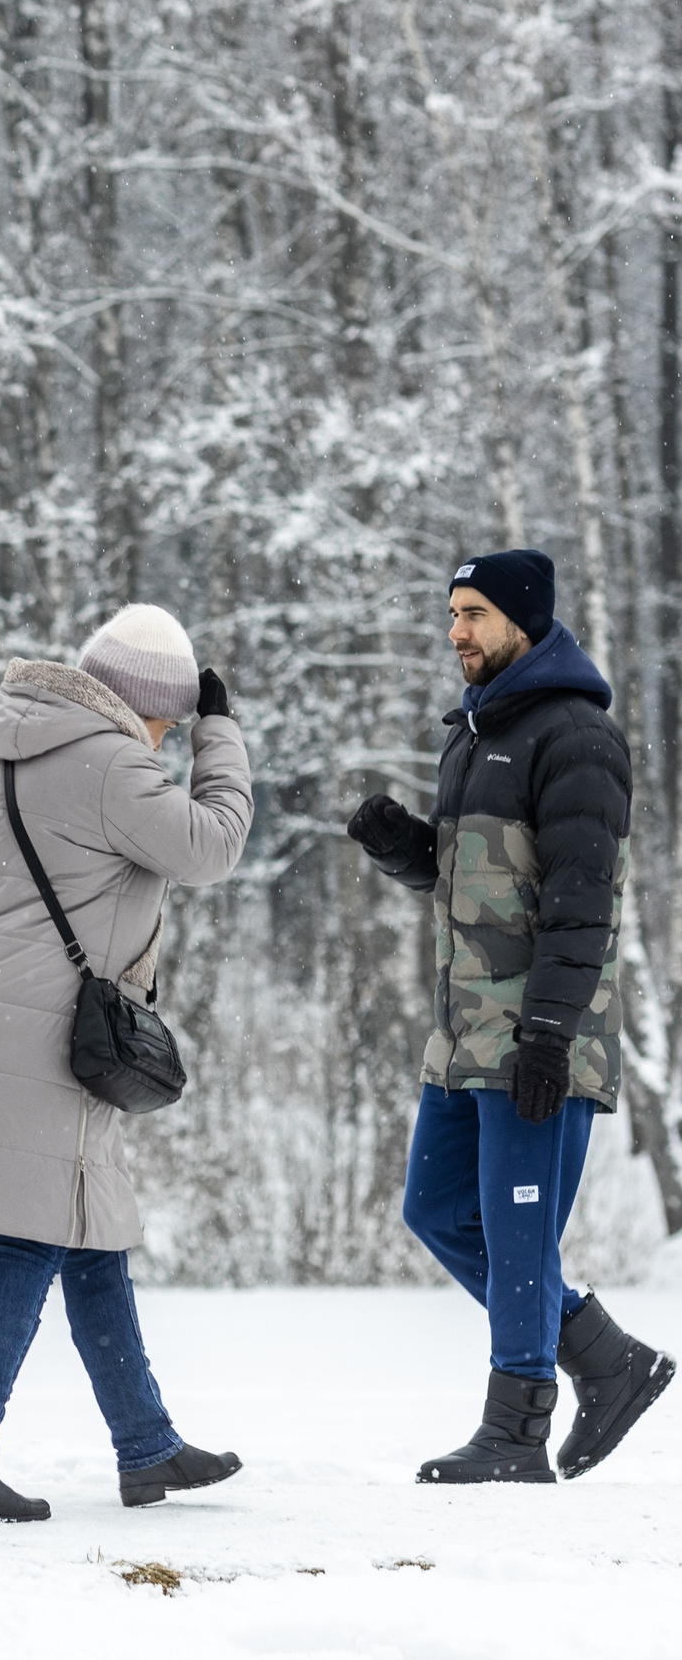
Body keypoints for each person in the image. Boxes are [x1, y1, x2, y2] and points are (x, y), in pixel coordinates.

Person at [0, 604, 253, 1521]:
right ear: (143, 706)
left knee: (89, 1230)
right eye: (169, 723)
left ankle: (148, 1447)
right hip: (45, 1026)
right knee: (31, 1241)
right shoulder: (111, 764)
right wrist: (220, 733)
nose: (165, 740)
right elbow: (213, 845)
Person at [346, 551, 674, 1483]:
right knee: (436, 1207)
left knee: (519, 1229)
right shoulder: (474, 731)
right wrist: (405, 849)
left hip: (538, 1035)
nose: (456, 630)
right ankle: (605, 1357)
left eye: (474, 613)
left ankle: (517, 1427)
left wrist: (548, 1037)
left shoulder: (577, 738)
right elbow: (482, 887)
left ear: (522, 621)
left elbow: (581, 905)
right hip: (464, 1035)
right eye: (452, 612)